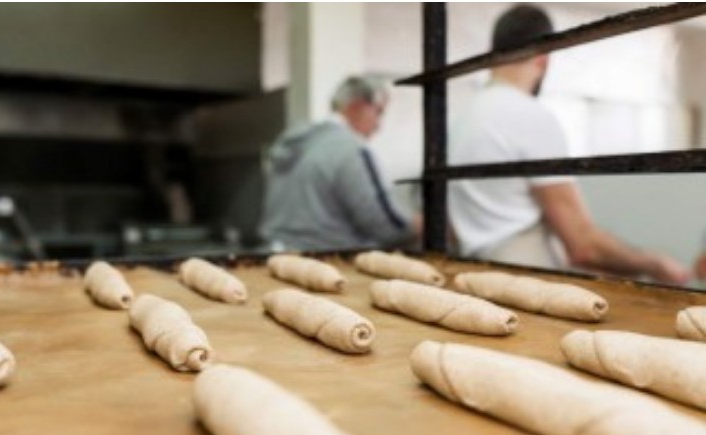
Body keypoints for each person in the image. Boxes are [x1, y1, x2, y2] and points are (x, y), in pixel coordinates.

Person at [447, 4, 691, 285]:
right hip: (526, 282)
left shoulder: (463, 118)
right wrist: (654, 263)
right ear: (543, 60)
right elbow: (583, 247)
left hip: (475, 277)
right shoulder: (529, 117)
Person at [259, 76, 417, 251]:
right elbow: (387, 226)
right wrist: (423, 225)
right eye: (378, 112)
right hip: (326, 260)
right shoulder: (351, 149)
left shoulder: (296, 142)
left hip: (277, 256)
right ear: (357, 106)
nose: (378, 125)